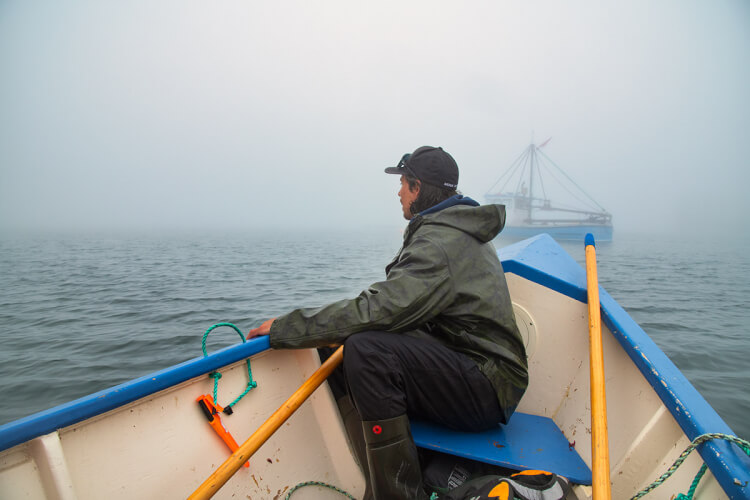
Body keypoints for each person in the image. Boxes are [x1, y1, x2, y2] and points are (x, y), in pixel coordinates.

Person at [248, 146, 528, 500]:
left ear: (418, 187)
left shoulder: (442, 241)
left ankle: (397, 495)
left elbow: (380, 309)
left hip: (490, 385)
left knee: (367, 349)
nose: (398, 193)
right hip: (477, 369)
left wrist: (285, 329)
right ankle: (381, 471)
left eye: (404, 184)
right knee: (344, 342)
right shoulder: (450, 229)